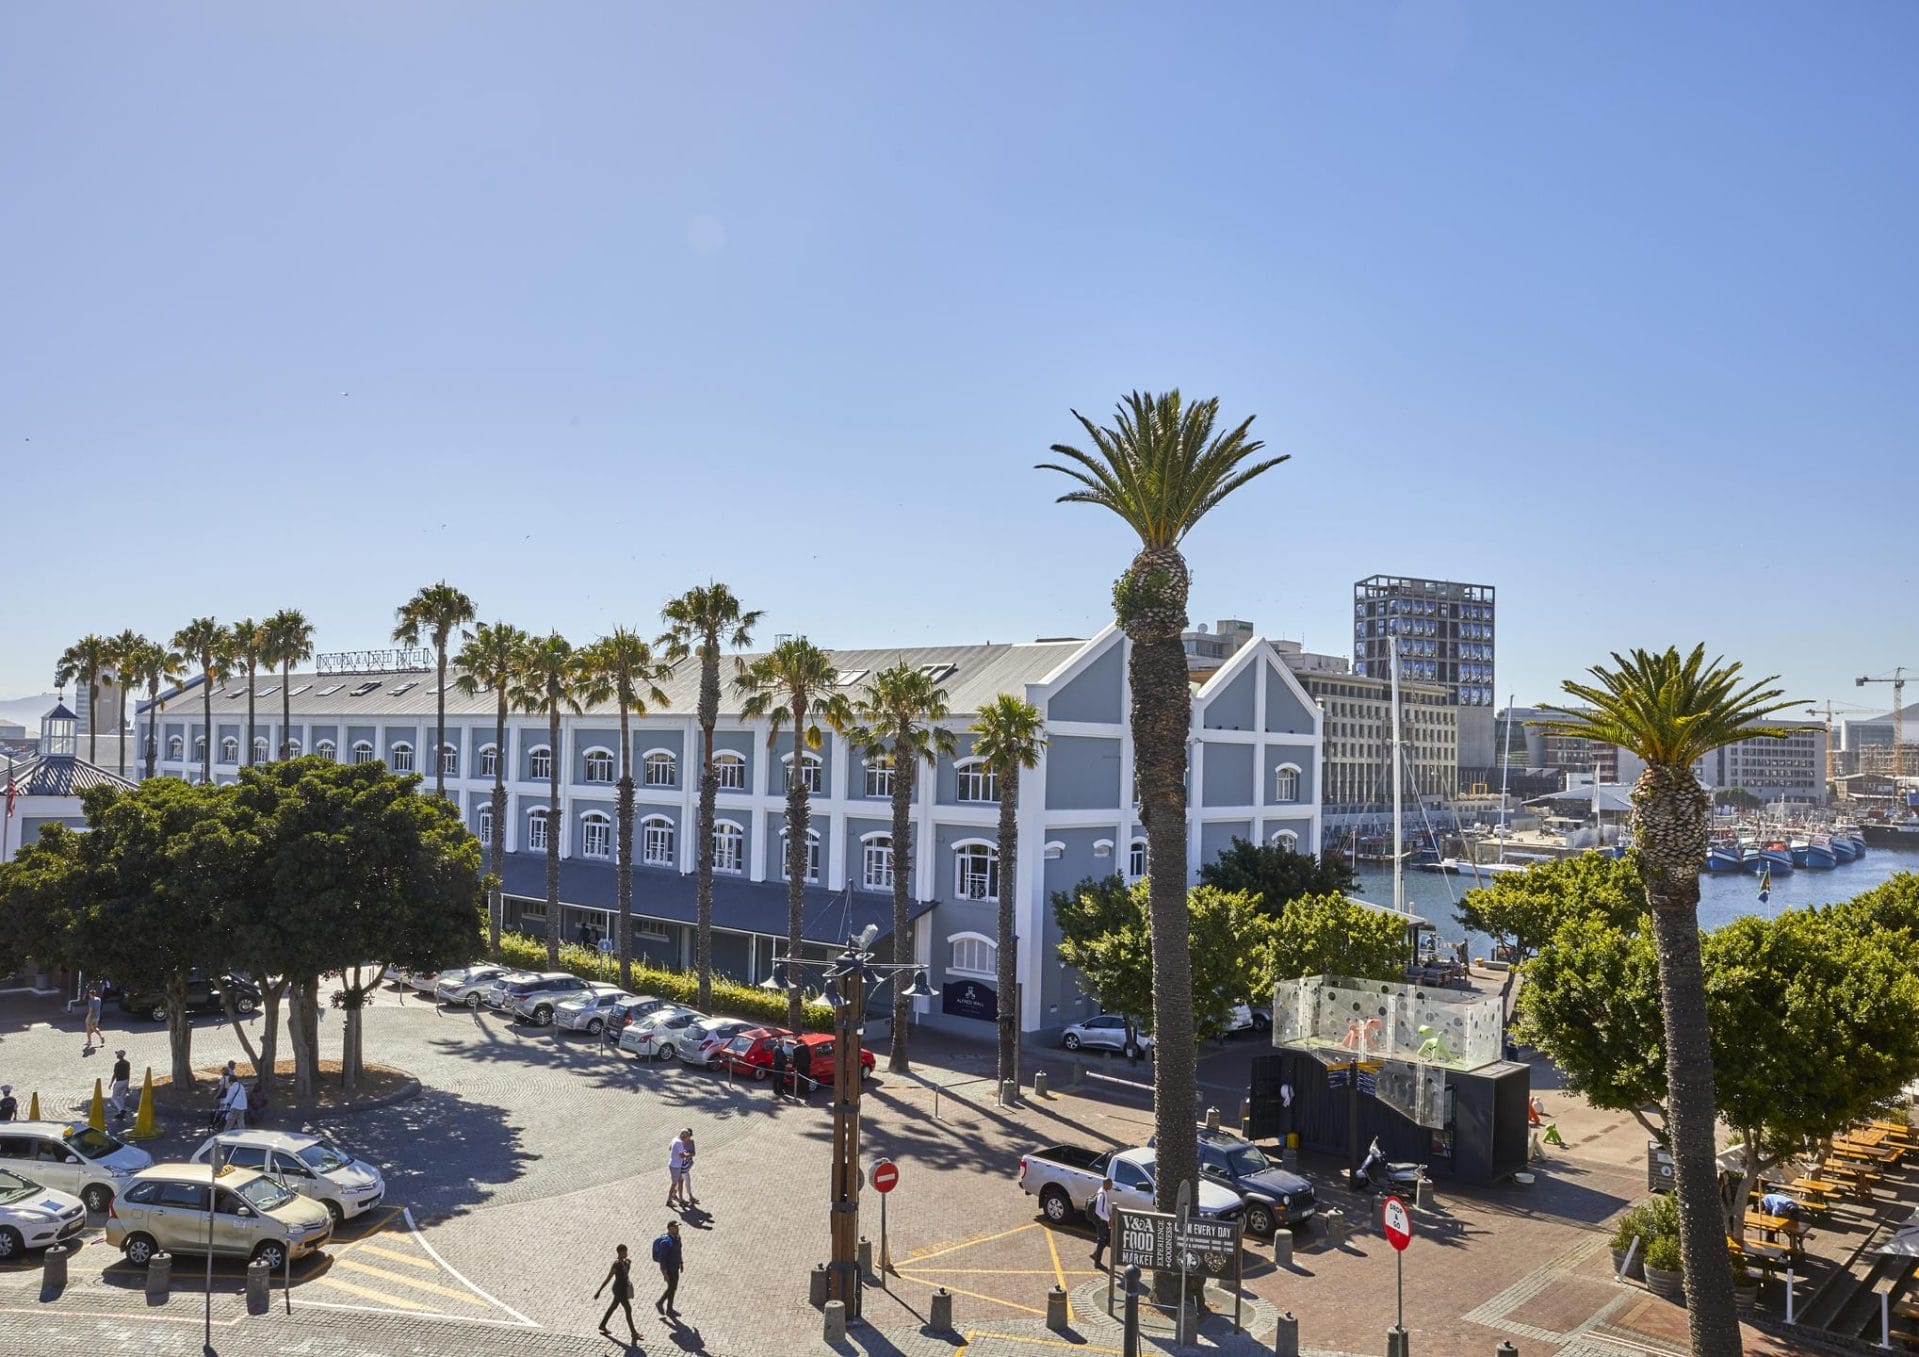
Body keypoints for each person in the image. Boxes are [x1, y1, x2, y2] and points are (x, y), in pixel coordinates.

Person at [594, 1243, 640, 1343]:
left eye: (626, 1251)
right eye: (625, 1252)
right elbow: (608, 1278)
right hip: (619, 1290)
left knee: (613, 1307)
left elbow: (626, 1274)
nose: (627, 1253)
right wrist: (599, 1291)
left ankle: (602, 1325)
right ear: (620, 1252)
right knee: (628, 1309)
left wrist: (628, 1264)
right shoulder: (616, 1264)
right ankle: (633, 1333)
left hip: (623, 1289)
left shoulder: (626, 1262)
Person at [652, 1220, 683, 1317]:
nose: (677, 1229)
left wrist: (681, 1263)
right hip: (669, 1269)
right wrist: (664, 1274)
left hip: (676, 1267)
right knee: (672, 1287)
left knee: (672, 1288)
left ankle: (663, 1305)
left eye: (677, 1227)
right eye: (675, 1227)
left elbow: (679, 1251)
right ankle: (667, 1307)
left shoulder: (677, 1238)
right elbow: (663, 1259)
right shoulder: (665, 1242)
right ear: (669, 1229)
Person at [1090, 1175, 1113, 1270]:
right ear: (1106, 1184)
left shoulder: (1104, 1192)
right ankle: (1097, 1263)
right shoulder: (1101, 1195)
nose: (1112, 1186)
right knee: (1102, 1240)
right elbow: (1098, 1211)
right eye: (1110, 1184)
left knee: (1106, 1239)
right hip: (1100, 1221)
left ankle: (1095, 1254)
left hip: (1104, 1220)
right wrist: (1108, 1219)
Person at [667, 1129, 693, 1208]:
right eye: (687, 1138)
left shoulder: (675, 1139)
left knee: (681, 1181)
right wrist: (687, 1154)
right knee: (674, 1183)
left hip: (675, 1165)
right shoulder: (680, 1143)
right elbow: (682, 1155)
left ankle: (681, 1199)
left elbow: (670, 1147)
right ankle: (669, 1200)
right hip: (675, 1166)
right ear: (684, 1137)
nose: (687, 1140)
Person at [109, 1050, 132, 1119]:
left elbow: (115, 1074)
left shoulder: (117, 1064)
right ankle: (121, 1113)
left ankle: (121, 1110)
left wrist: (111, 1083)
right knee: (122, 1097)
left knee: (114, 1097)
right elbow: (128, 1074)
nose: (116, 1055)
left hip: (119, 1082)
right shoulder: (127, 1063)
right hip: (125, 1081)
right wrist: (127, 1084)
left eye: (117, 1054)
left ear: (119, 1056)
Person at [84, 984, 103, 1051]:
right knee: (94, 1028)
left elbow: (91, 1011)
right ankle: (100, 1037)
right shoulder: (98, 999)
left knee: (89, 1028)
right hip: (97, 1016)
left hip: (92, 1017)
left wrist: (87, 1018)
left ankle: (90, 1041)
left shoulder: (91, 1001)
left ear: (90, 994)